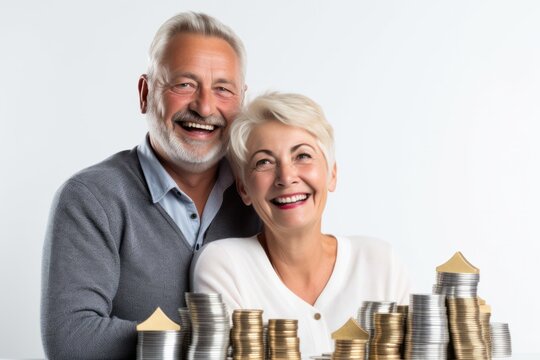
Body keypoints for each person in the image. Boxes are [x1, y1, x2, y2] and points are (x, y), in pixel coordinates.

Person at [41, 12, 260, 359]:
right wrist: (217, 341)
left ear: (242, 102)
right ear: (145, 93)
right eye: (184, 84)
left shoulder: (259, 196)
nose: (204, 106)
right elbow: (72, 338)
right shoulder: (92, 198)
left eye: (223, 89)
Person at [192, 92, 411, 357]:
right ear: (244, 189)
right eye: (264, 162)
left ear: (332, 173)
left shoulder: (380, 262)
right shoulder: (225, 265)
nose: (286, 177)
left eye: (303, 156)